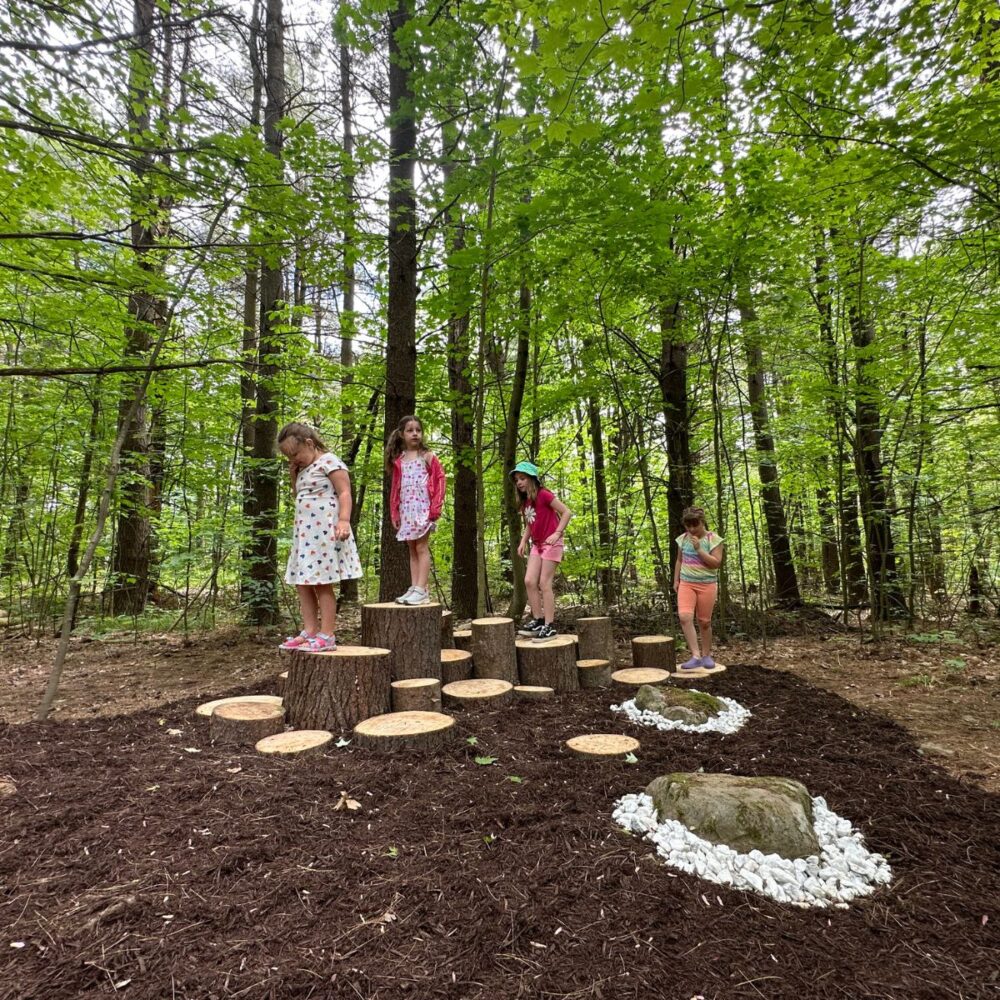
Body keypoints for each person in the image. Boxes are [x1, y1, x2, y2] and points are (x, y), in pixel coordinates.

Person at [277, 422, 363, 651]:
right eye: (289, 457)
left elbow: (345, 492)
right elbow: (298, 495)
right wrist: (293, 475)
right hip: (305, 535)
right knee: (302, 583)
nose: (293, 460)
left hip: (325, 532)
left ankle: (327, 634)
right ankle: (310, 630)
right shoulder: (301, 468)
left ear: (309, 443)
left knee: (322, 583)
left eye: (295, 454)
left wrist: (344, 520)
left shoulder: (330, 462)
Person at [386, 415, 446, 605]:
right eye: (410, 430)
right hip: (407, 510)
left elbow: (440, 480)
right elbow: (396, 487)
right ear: (402, 434)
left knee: (421, 547)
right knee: (412, 548)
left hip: (423, 509)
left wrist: (436, 506)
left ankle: (422, 589)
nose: (414, 434)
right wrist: (394, 512)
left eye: (418, 430)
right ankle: (415, 587)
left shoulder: (427, 456)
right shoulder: (400, 460)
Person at [511, 461, 572, 643]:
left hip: (552, 544)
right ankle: (538, 620)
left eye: (522, 478)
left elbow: (566, 512)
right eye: (516, 480)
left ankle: (549, 625)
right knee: (529, 581)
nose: (519, 483)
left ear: (532, 479)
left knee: (544, 583)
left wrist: (557, 533)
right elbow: (530, 525)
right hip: (537, 544)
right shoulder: (526, 502)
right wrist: (523, 541)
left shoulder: (544, 495)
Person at [673, 506, 725, 670]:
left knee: (704, 621)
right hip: (686, 583)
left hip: (707, 584)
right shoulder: (682, 539)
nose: (692, 529)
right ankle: (695, 655)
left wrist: (699, 549)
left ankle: (706, 655)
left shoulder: (714, 539)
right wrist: (676, 580)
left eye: (695, 525)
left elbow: (715, 563)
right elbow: (679, 560)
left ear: (702, 522)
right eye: (688, 526)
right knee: (684, 616)